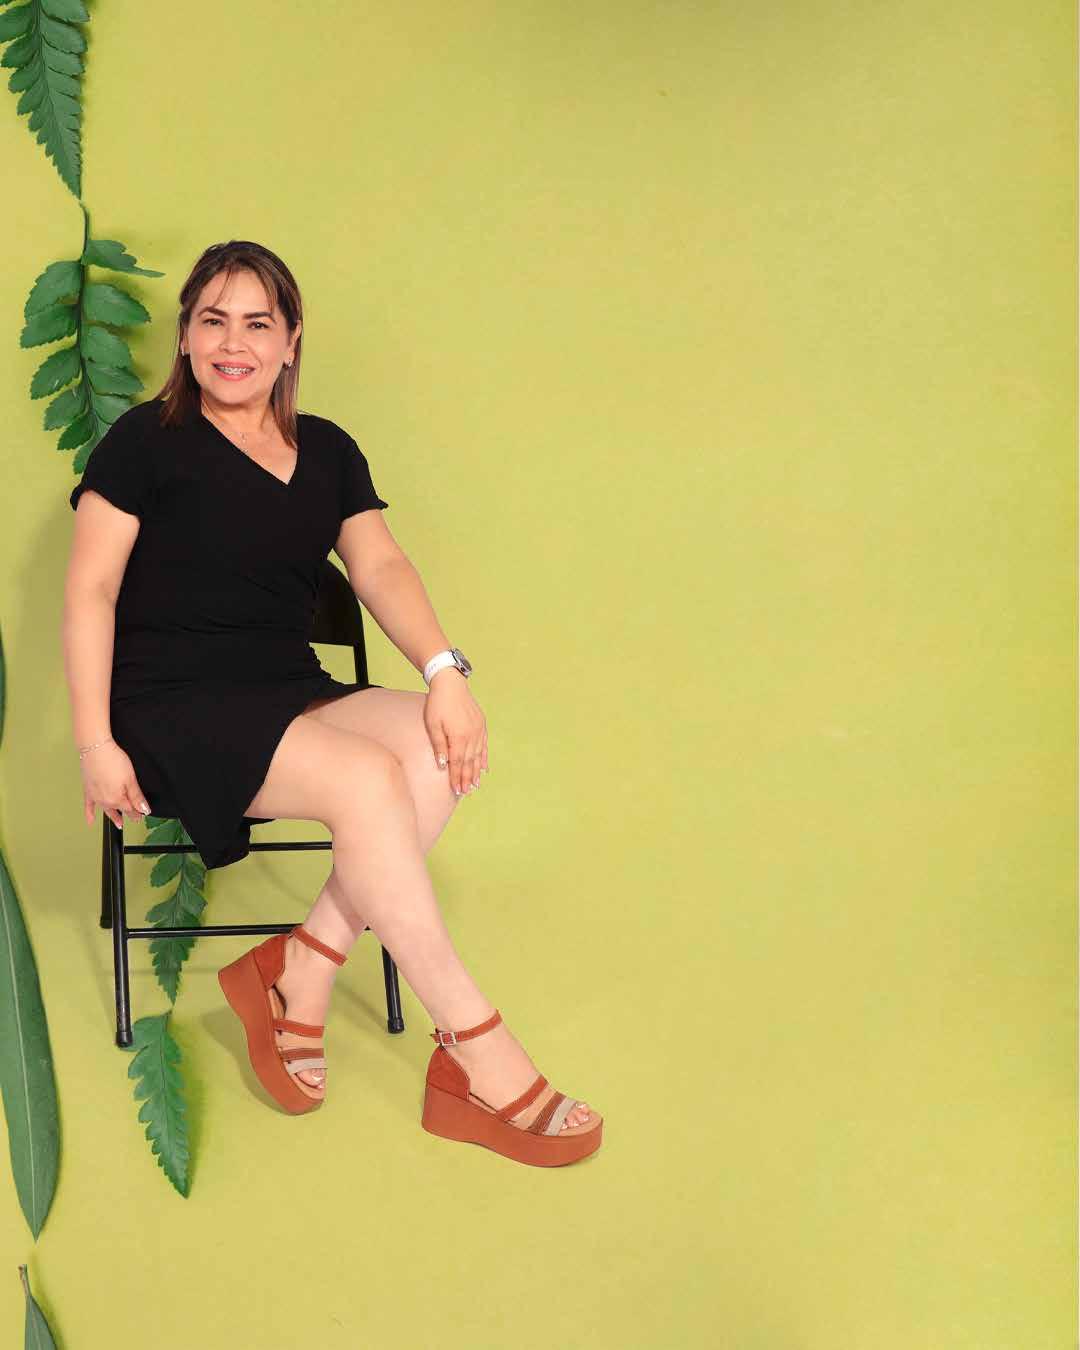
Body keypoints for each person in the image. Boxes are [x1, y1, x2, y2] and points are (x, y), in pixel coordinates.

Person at [61, 240, 601, 1166]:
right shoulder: (145, 443)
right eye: (212, 321)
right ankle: (477, 1047)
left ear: (291, 339)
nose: (234, 344)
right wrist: (93, 743)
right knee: (366, 781)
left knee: (436, 745)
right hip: (170, 704)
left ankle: (302, 966)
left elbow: (380, 565)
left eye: (257, 324)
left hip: (284, 686)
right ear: (185, 336)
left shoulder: (330, 450)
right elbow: (90, 591)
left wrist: (445, 673)